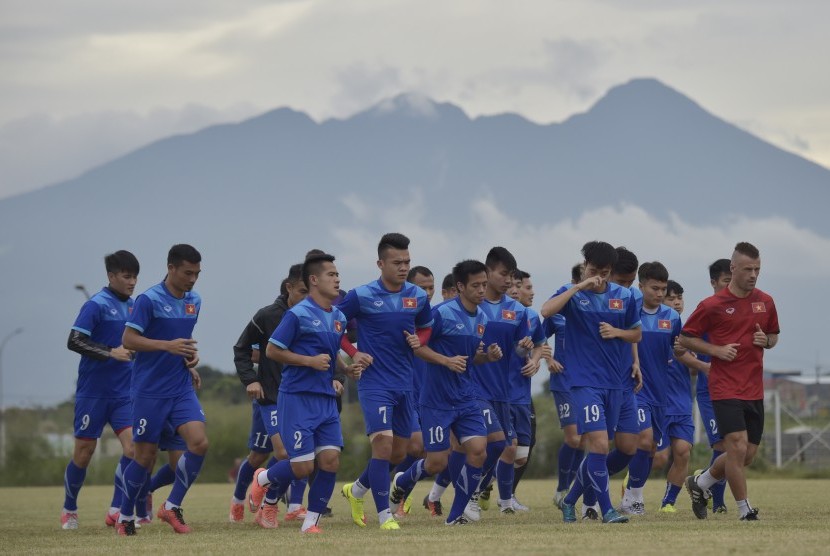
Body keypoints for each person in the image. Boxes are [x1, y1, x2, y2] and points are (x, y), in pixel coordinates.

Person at [253, 252, 362, 534]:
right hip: (297, 398)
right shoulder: (297, 314)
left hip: (326, 399)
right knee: (302, 467)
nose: (337, 279)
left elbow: (332, 351)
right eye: (331, 275)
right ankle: (263, 478)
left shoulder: (338, 316)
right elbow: (272, 350)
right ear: (314, 280)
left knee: (329, 461)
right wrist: (308, 362)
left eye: (338, 275)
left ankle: (310, 523)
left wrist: (345, 370)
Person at [388, 259, 502, 525]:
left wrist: (489, 356)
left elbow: (472, 358)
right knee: (436, 463)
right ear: (460, 286)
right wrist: (446, 361)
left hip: (466, 398)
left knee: (479, 450)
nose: (482, 290)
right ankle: (402, 481)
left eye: (484, 284)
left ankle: (454, 516)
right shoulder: (441, 314)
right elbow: (418, 348)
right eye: (476, 285)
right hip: (436, 401)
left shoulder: (483, 318)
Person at [541, 241, 641, 524]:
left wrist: (617, 332)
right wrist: (577, 287)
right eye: (594, 270)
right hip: (583, 383)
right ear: (584, 267)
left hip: (617, 383)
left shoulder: (625, 296)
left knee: (617, 447)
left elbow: (636, 335)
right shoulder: (571, 294)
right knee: (598, 445)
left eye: (605, 272)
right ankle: (606, 510)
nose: (599, 276)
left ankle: (570, 500)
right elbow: (546, 311)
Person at [338, 234, 433, 531]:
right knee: (382, 446)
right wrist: (354, 352)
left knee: (399, 453)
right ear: (380, 263)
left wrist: (421, 341)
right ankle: (384, 516)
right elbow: (333, 325)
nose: (403, 267)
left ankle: (355, 491)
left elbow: (426, 327)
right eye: (397, 262)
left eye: (407, 261)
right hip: (374, 383)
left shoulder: (417, 295)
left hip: (406, 383)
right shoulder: (360, 295)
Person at [683, 242, 780, 521]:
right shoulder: (712, 305)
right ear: (733, 268)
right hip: (724, 387)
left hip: (754, 388)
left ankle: (700, 483)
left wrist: (768, 341)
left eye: (757, 269)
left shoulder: (766, 301)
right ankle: (744, 510)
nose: (753, 274)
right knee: (736, 446)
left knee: (746, 455)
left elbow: (773, 335)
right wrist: (715, 351)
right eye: (748, 269)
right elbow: (685, 338)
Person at [117, 244, 206, 536]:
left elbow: (182, 340)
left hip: (180, 387)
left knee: (199, 444)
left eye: (197, 273)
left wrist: (190, 360)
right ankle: (125, 516)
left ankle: (171, 506)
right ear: (171, 268)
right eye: (187, 272)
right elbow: (129, 339)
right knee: (144, 457)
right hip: (149, 391)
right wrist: (166, 346)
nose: (192, 279)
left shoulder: (195, 300)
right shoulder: (149, 299)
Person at [62, 250, 139, 530]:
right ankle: (69, 508)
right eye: (126, 276)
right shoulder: (95, 304)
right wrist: (109, 352)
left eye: (135, 277)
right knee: (84, 453)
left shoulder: (135, 307)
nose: (132, 282)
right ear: (111, 276)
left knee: (134, 448)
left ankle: (117, 508)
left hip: (124, 394)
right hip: (92, 393)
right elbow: (74, 341)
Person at [232, 264, 310, 528]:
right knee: (269, 454)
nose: (308, 296)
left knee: (298, 455)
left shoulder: (315, 315)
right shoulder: (266, 316)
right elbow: (241, 349)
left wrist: (337, 376)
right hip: (272, 396)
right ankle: (238, 500)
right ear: (289, 287)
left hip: (302, 396)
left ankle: (269, 504)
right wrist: (250, 380)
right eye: (302, 291)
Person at [473, 247, 543, 516]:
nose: (509, 284)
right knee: (488, 447)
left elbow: (525, 348)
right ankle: (475, 496)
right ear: (488, 272)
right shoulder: (471, 305)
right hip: (474, 389)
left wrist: (530, 354)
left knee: (510, 450)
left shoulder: (519, 312)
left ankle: (496, 497)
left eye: (513, 278)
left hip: (508, 392)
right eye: (504, 276)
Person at [619, 262, 683, 515]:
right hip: (636, 389)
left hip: (660, 392)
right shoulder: (630, 312)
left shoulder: (673, 318)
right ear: (641, 285)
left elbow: (677, 349)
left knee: (654, 451)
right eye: (654, 288)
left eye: (663, 289)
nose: (659, 294)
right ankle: (634, 496)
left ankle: (632, 493)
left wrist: (679, 351)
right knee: (644, 441)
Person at [657, 280, 710, 512]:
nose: (677, 302)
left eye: (680, 297)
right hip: (655, 401)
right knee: (657, 457)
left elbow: (689, 366)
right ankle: (632, 485)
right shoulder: (652, 328)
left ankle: (668, 502)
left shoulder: (689, 332)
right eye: (671, 298)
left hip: (681, 401)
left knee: (682, 453)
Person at [391, 265, 435, 516]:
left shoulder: (434, 317)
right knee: (414, 448)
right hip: (404, 392)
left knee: (429, 452)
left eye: (431, 287)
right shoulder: (400, 317)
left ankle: (396, 493)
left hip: (430, 396)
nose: (428, 292)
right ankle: (368, 487)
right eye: (422, 287)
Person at [693, 258, 733, 513]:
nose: (731, 286)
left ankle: (702, 482)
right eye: (726, 281)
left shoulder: (743, 309)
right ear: (714, 282)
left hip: (735, 388)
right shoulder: (706, 310)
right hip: (710, 390)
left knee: (736, 446)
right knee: (722, 445)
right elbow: (686, 341)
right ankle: (716, 500)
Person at [507, 270, 548, 507]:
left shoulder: (531, 317)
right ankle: (494, 495)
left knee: (522, 453)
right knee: (496, 448)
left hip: (522, 393)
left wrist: (535, 360)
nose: (530, 292)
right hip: (493, 394)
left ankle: (502, 493)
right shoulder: (489, 314)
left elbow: (540, 345)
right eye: (526, 287)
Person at [545, 264, 582, 512]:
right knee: (574, 437)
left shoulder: (593, 310)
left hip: (588, 381)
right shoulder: (558, 311)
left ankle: (573, 487)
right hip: (563, 381)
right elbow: (539, 338)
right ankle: (561, 488)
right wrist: (548, 359)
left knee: (585, 438)